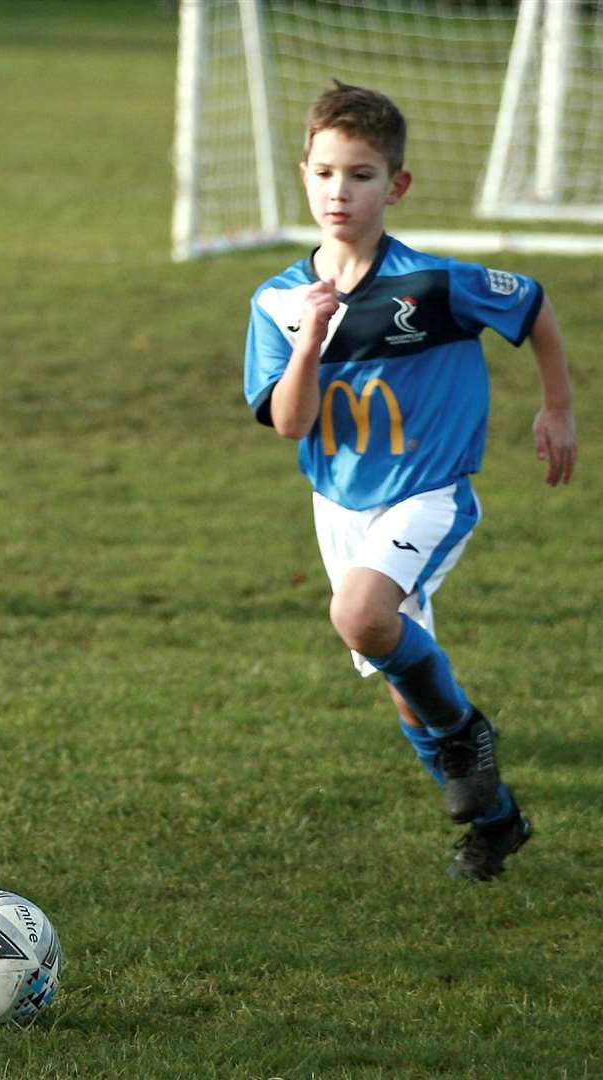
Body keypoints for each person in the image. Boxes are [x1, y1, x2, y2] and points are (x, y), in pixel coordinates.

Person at [243, 80, 578, 882]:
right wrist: (313, 337)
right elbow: (289, 422)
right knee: (400, 677)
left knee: (358, 615)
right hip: (339, 504)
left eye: (360, 175)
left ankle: (466, 733)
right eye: (325, 172)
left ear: (395, 186)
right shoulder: (280, 301)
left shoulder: (431, 283)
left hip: (428, 492)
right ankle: (495, 822)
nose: (339, 191)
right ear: (304, 173)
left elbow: (531, 307)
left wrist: (557, 409)